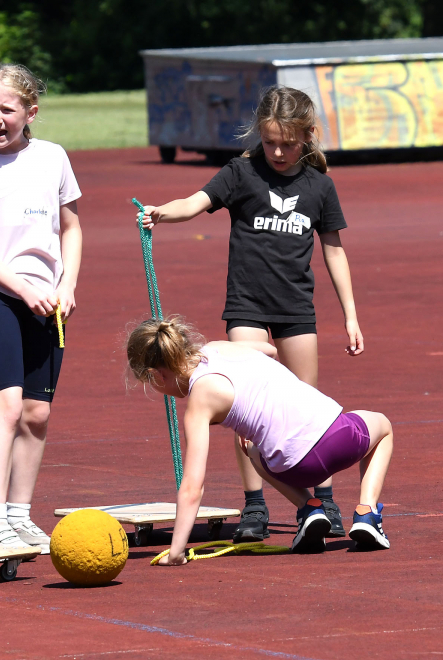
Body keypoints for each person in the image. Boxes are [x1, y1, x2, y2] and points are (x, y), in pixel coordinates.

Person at [139, 85, 363, 543]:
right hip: (247, 306)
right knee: (244, 409)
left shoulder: (319, 186)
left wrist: (351, 315)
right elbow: (196, 203)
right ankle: (255, 503)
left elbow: (334, 251)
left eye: (288, 143)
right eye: (269, 141)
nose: (277, 151)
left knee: (309, 407)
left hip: (296, 309)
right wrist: (163, 214)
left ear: (307, 138)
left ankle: (324, 498)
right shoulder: (241, 173)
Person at [126, 315, 392, 564]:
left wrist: (176, 551)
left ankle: (309, 507)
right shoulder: (218, 347)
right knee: (383, 426)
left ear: (158, 373)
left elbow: (192, 487)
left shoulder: (199, 402)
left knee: (252, 448)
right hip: (339, 441)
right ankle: (366, 512)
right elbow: (270, 350)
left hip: (296, 469)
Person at [0, 64, 83, 553]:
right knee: (5, 405)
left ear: (31, 112)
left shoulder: (53, 159)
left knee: (38, 412)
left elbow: (71, 228)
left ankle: (21, 516)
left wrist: (66, 283)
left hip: (51, 304)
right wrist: (24, 289)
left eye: (7, 109)